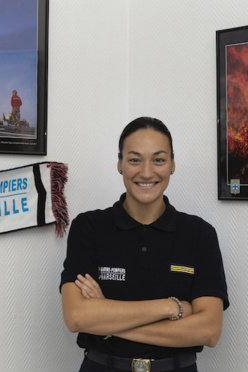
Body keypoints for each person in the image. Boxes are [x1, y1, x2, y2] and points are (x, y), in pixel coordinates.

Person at [60, 117, 229, 372]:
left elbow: (208, 331)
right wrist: (172, 307)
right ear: (120, 164)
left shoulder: (199, 234)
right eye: (135, 159)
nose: (147, 172)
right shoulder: (89, 228)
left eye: (159, 159)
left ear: (172, 164)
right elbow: (77, 317)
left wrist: (107, 320)